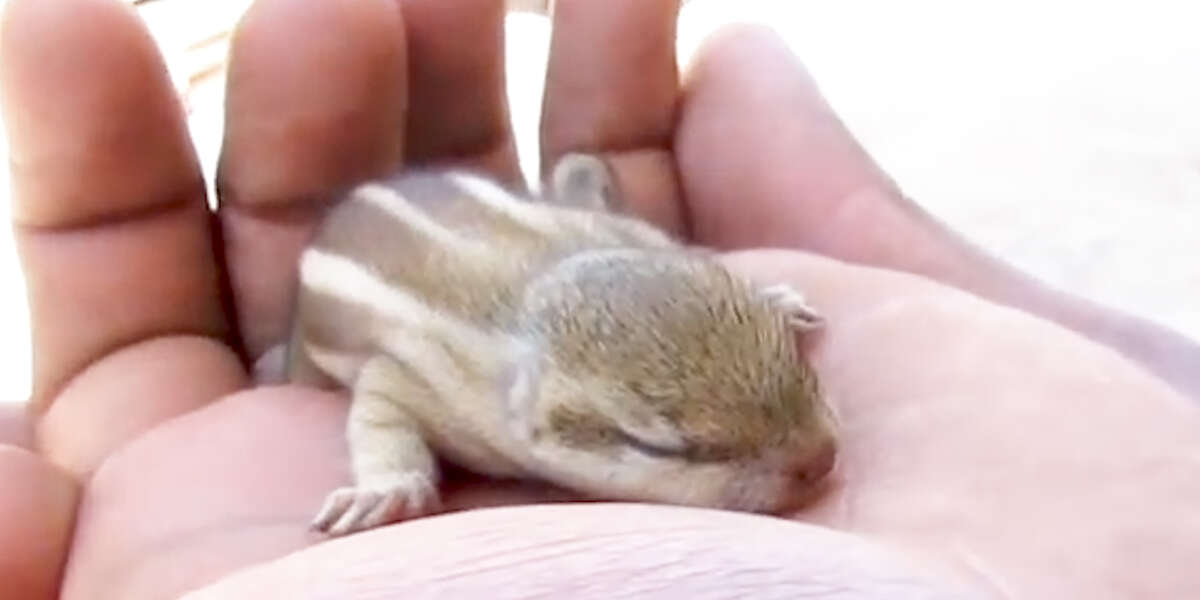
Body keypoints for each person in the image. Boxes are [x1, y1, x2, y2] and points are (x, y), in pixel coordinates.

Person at [1, 0, 1198, 598]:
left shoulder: (679, 301)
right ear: (547, 415)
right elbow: (392, 385)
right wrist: (395, 470)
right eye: (686, 450)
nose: (811, 463)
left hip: (564, 255)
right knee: (323, 355)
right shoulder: (480, 384)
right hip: (394, 282)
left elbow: (687, 304)